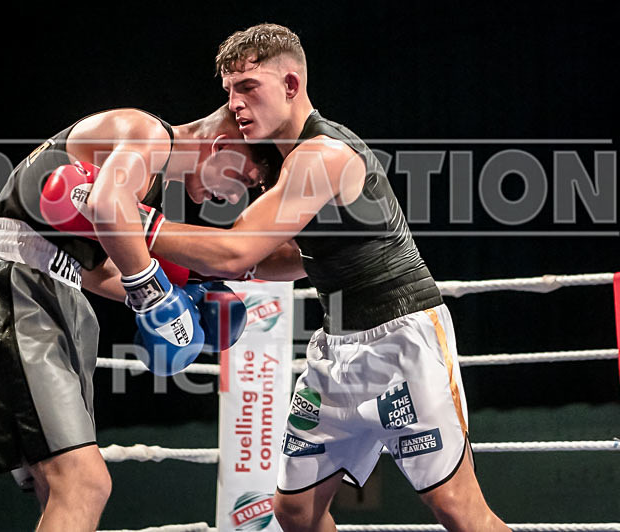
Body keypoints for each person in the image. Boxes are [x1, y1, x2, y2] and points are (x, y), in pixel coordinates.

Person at [142, 24, 510, 532]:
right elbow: (296, 257)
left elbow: (236, 249)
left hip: (402, 340)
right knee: (295, 511)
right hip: (337, 348)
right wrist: (203, 264)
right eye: (229, 91)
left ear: (291, 85)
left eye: (248, 88)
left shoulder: (323, 155)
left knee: (457, 508)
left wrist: (129, 220)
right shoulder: (284, 162)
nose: (236, 105)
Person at [0, 106, 286, 532]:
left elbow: (95, 269)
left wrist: (178, 296)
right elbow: (105, 203)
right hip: (17, 289)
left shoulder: (151, 182)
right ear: (223, 147)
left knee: (61, 488)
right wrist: (154, 292)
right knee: (84, 484)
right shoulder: (146, 132)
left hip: (55, 293)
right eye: (245, 181)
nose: (236, 198)